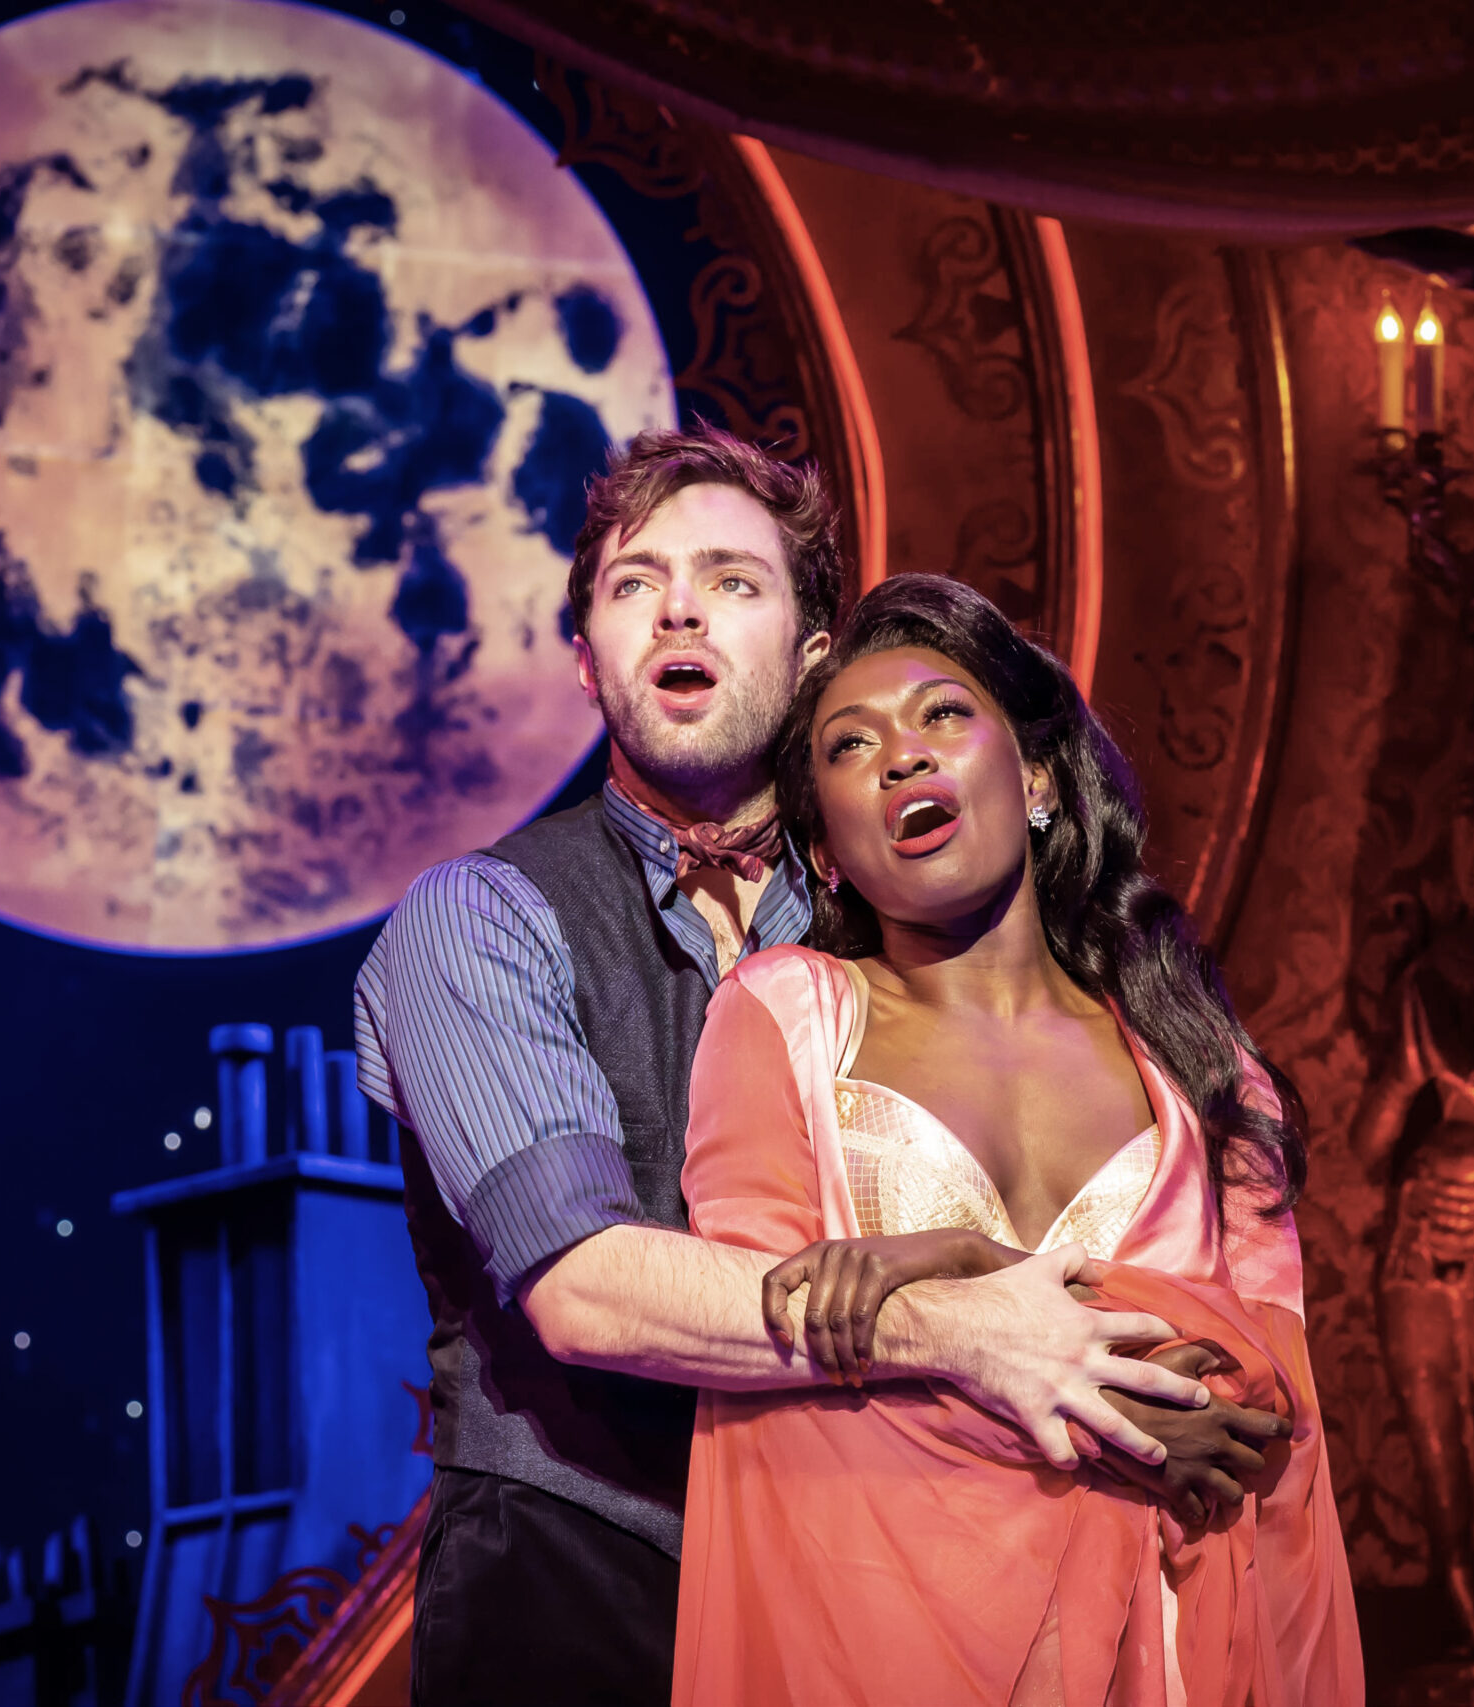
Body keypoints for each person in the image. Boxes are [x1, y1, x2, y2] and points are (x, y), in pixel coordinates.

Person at [355, 431, 1220, 1707]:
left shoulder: (904, 919)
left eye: (730, 579)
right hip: (580, 1580)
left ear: (815, 657)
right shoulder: (480, 918)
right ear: (587, 661)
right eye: (636, 584)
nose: (680, 608)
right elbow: (585, 1288)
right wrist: (967, 1330)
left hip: (869, 1591)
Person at [673, 574, 1364, 1706]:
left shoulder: (1195, 1060)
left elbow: (1268, 1389)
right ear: (827, 849)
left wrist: (962, 1263)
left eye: (942, 713)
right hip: (884, 1646)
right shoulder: (782, 1019)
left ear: (1036, 777)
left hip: (1171, 1656)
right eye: (851, 745)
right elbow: (767, 1343)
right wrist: (1110, 1405)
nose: (902, 755)